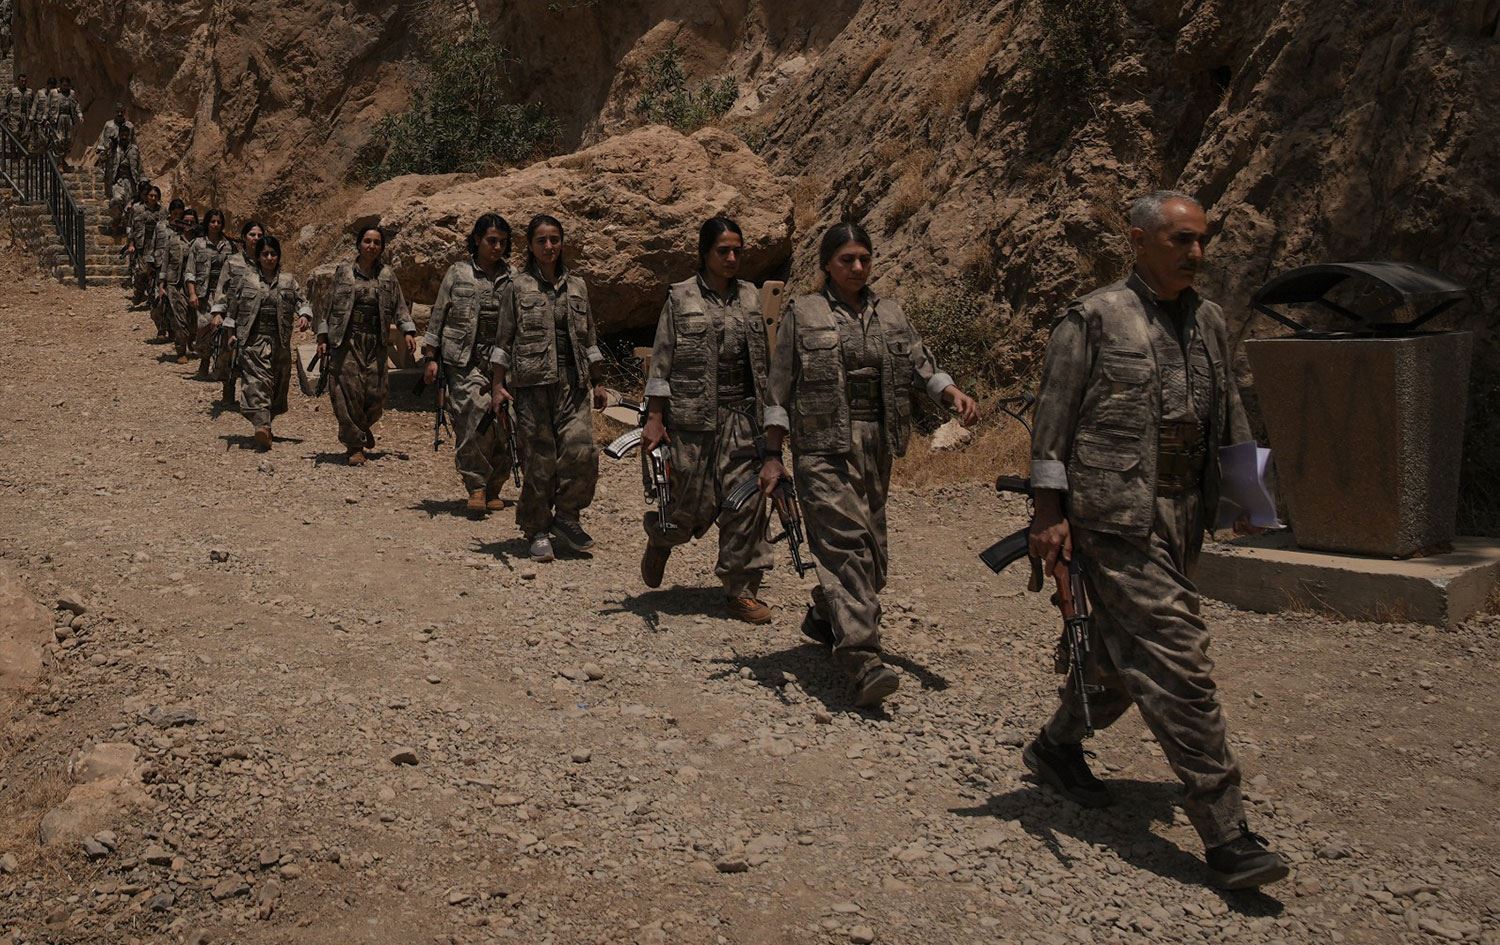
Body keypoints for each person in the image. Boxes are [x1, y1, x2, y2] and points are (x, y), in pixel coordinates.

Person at [1022, 190, 1288, 890]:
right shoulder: (1094, 317)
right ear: (1137, 240)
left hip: (1182, 512)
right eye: (1179, 241)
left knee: (1117, 659)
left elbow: (1229, 409)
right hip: (1113, 519)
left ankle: (1055, 746)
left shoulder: (1208, 318)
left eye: (1201, 240)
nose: (1195, 253)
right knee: (1179, 658)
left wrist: (1249, 497)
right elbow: (1051, 424)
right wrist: (1048, 512)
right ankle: (1227, 831)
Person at [759, 222, 979, 708]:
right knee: (846, 547)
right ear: (827, 265)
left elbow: (922, 366)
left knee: (873, 559)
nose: (857, 268)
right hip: (821, 448)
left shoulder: (892, 314)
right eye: (846, 260)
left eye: (864, 258)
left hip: (876, 446)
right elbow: (778, 390)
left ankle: (825, 613)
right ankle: (862, 660)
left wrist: (951, 392)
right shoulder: (804, 312)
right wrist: (773, 455)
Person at [638, 216, 775, 623]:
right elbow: (661, 365)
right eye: (723, 251)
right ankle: (662, 539)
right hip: (692, 421)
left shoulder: (751, 298)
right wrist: (655, 419)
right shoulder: (680, 298)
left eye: (737, 251)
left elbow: (765, 366)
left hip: (742, 418)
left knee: (747, 501)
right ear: (704, 254)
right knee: (688, 507)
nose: (732, 258)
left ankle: (741, 589)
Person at [488, 215, 607, 561]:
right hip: (531, 386)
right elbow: (503, 340)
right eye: (542, 240)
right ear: (531, 246)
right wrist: (497, 386)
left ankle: (567, 517)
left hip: (572, 385)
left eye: (554, 239)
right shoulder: (517, 286)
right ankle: (536, 527)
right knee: (539, 461)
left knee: (582, 452)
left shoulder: (578, 286)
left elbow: (590, 339)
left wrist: (598, 381)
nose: (549, 246)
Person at [421, 213, 517, 515]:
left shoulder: (514, 278)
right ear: (477, 240)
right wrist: (431, 358)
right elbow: (439, 315)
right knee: (472, 419)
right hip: (462, 361)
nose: (497, 247)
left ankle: (494, 486)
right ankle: (475, 485)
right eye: (491, 241)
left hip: (502, 363)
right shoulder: (458, 273)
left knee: (504, 421)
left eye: (502, 242)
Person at [315, 225, 415, 466]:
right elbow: (326, 306)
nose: (372, 246)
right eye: (367, 241)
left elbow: (400, 307)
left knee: (376, 393)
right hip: (347, 340)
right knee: (348, 392)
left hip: (376, 341)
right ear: (359, 244)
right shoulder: (343, 272)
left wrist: (408, 331)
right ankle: (354, 445)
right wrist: (322, 337)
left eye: (377, 242)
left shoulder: (388, 276)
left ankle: (361, 427)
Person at [220, 235, 310, 450]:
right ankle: (261, 424)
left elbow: (302, 301)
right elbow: (232, 307)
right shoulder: (246, 279)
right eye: (264, 254)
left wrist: (305, 315)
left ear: (278, 256)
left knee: (277, 385)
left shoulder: (288, 281)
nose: (269, 258)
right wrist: (231, 333)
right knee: (256, 381)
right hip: (253, 341)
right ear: (258, 257)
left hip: (280, 341)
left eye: (273, 254)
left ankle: (267, 423)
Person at [209, 219, 266, 404]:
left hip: (257, 317)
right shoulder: (233, 261)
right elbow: (222, 288)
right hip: (233, 316)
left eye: (259, 235)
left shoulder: (266, 261)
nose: (255, 238)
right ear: (244, 237)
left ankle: (253, 397)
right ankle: (228, 388)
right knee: (229, 353)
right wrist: (218, 312)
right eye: (252, 235)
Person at [186, 209, 234, 377]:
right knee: (203, 327)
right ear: (207, 223)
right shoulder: (198, 244)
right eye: (212, 221)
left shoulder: (228, 245)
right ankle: (204, 359)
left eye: (219, 222)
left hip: (222, 294)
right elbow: (190, 271)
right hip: (203, 295)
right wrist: (192, 294)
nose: (215, 225)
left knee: (221, 328)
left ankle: (219, 366)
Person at [157, 207, 198, 364]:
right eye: (186, 221)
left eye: (191, 222)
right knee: (179, 320)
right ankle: (181, 350)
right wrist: (162, 285)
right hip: (175, 285)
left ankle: (191, 340)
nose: (188, 224)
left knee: (194, 319)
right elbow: (165, 263)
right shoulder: (173, 240)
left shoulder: (200, 242)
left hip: (195, 287)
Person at [148, 197, 186, 341]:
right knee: (159, 299)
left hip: (176, 269)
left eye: (179, 214)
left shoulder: (183, 228)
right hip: (159, 266)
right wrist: (151, 262)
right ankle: (161, 328)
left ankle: (172, 330)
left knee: (174, 300)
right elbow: (153, 243)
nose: (177, 216)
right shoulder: (160, 226)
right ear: (170, 212)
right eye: (175, 213)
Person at [127, 184, 162, 311]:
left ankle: (152, 298)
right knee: (142, 271)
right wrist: (131, 244)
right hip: (142, 244)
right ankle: (139, 293)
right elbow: (132, 228)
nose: (153, 198)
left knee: (154, 271)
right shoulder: (137, 210)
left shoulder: (162, 211)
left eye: (156, 196)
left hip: (157, 245)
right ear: (146, 197)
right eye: (151, 195)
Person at [105, 124, 142, 234]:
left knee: (129, 208)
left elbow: (140, 166)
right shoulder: (114, 148)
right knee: (116, 200)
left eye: (127, 134)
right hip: (118, 181)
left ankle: (125, 230)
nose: (124, 137)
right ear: (119, 135)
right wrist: (111, 147)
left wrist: (142, 180)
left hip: (131, 182)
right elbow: (106, 160)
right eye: (122, 134)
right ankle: (116, 219)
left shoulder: (134, 149)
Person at [53, 76, 80, 168]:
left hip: (69, 118)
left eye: (67, 85)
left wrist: (80, 115)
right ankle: (59, 160)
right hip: (59, 118)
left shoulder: (72, 93)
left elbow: (76, 105)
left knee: (68, 140)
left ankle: (63, 159)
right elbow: (48, 105)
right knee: (60, 139)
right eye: (64, 85)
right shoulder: (54, 93)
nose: (65, 87)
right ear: (60, 85)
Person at [27, 77, 56, 155]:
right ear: (47, 85)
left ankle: (47, 153)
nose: (51, 89)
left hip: (50, 120)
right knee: (41, 137)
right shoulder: (40, 93)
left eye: (53, 87)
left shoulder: (55, 94)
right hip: (39, 119)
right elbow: (35, 105)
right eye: (50, 86)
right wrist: (32, 116)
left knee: (50, 137)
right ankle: (40, 152)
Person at [2, 72, 30, 150]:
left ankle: (23, 153)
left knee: (26, 134)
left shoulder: (29, 92)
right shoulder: (12, 92)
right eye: (22, 81)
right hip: (14, 117)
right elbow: (6, 102)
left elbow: (33, 103)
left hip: (25, 117)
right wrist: (4, 114)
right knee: (14, 132)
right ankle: (13, 150)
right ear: (18, 81)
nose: (23, 83)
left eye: (25, 81)